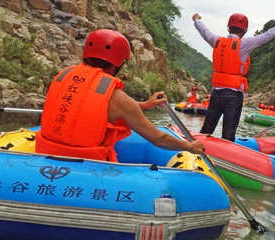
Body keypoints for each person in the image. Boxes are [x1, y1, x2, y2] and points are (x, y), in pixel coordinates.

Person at [35, 29, 205, 162]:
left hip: (43, 155)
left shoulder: (64, 76)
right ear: (120, 63)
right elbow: (158, 139)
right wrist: (190, 146)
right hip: (86, 165)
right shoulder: (119, 98)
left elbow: (94, 107)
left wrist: (145, 105)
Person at [192, 12, 275, 141]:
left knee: (206, 131)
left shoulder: (217, 41)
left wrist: (197, 20)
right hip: (233, 96)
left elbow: (204, 31)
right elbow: (268, 35)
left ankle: (196, 150)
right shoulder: (244, 44)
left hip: (216, 94)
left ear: (228, 28)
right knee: (228, 135)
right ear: (245, 31)